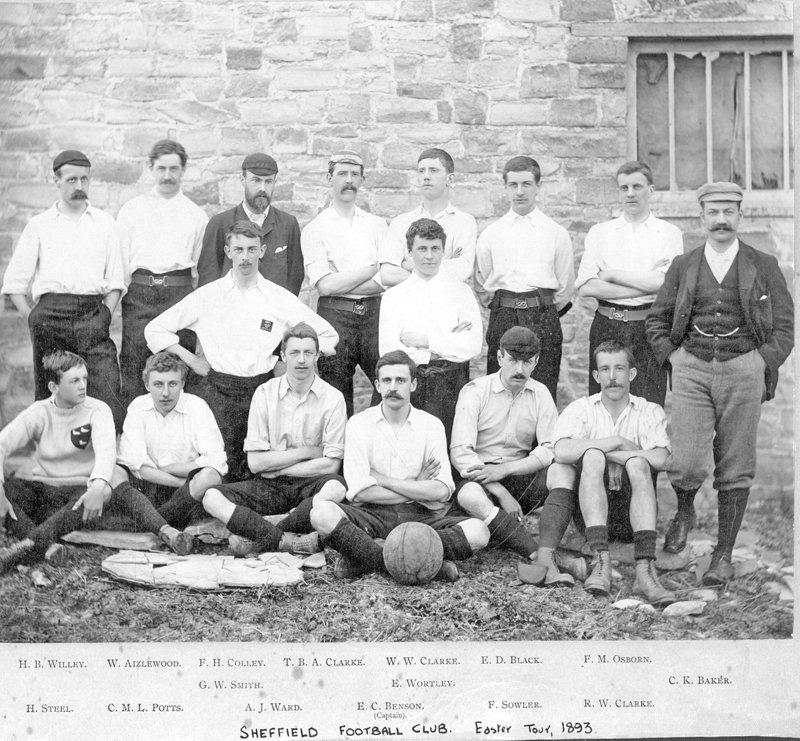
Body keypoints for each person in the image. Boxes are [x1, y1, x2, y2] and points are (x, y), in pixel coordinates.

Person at [646, 182, 794, 584]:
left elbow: (784, 325)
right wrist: (673, 356)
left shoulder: (763, 264)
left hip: (743, 370)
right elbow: (657, 320)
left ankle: (723, 554)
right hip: (692, 368)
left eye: (729, 211)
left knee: (736, 462)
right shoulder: (684, 264)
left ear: (741, 216)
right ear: (701, 217)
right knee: (687, 459)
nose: (722, 220)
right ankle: (684, 511)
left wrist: (759, 362)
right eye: (714, 211)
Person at [144, 220, 338, 481]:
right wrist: (192, 360)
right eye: (238, 249)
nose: (245, 257)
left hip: (262, 391)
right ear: (227, 251)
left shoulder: (277, 297)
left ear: (262, 250)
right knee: (219, 467)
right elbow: (155, 329)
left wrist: (286, 363)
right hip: (218, 391)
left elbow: (328, 335)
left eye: (251, 249)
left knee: (258, 469)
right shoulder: (208, 296)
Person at [0, 351, 193, 575]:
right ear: (54, 387)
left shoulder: (98, 409)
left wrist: (99, 485)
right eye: (74, 381)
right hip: (45, 486)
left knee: (111, 485)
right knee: (9, 490)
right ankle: (45, 546)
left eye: (85, 378)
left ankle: (27, 547)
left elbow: (106, 453)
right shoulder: (38, 412)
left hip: (84, 489)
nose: (83, 385)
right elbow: (2, 444)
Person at [309, 350, 490, 581]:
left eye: (401, 380)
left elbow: (442, 490)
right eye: (387, 380)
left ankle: (366, 556)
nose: (393, 387)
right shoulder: (359, 424)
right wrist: (417, 485)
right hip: (370, 515)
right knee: (322, 513)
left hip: (421, 516)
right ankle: (421, 560)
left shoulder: (431, 424)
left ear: (413, 384)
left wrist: (383, 480)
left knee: (479, 531)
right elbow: (359, 492)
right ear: (377, 385)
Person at [1, 150, 125, 429]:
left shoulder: (105, 223)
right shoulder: (39, 225)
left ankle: (107, 461)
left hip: (93, 314)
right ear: (56, 181)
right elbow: (14, 284)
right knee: (51, 395)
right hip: (50, 317)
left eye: (84, 179)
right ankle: (51, 464)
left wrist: (105, 314)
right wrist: (34, 318)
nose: (79, 186)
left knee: (106, 390)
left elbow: (116, 280)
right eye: (71, 179)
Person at [546, 340, 675, 605]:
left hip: (633, 516)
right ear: (596, 375)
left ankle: (645, 571)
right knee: (592, 457)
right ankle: (600, 561)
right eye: (605, 369)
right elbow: (561, 452)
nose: (612, 377)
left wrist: (619, 457)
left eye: (619, 369)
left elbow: (662, 458)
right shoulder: (582, 409)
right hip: (591, 517)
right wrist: (616, 441)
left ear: (632, 374)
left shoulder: (648, 410)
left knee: (638, 464)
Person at [201, 323, 347, 556]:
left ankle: (263, 532)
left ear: (317, 355)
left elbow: (331, 464)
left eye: (308, 353)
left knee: (336, 487)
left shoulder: (333, 398)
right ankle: (287, 539)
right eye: (294, 353)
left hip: (309, 484)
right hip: (269, 486)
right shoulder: (264, 393)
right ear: (282, 356)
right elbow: (256, 464)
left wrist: (278, 468)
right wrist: (307, 451)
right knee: (211, 497)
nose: (301, 360)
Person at [450, 327, 580, 581]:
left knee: (562, 470)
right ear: (499, 358)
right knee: (468, 495)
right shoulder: (475, 391)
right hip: (481, 479)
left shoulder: (540, 393)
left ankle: (546, 549)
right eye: (512, 360)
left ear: (536, 362)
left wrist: (508, 470)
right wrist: (501, 490)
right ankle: (538, 556)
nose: (519, 369)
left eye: (527, 362)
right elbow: (461, 453)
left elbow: (550, 447)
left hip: (519, 474)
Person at [576, 161, 683, 405]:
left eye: (637, 186)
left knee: (649, 402)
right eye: (624, 188)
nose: (630, 193)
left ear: (651, 190)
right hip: (607, 325)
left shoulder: (669, 233)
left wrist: (611, 273)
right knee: (604, 402)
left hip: (649, 327)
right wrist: (646, 283)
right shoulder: (600, 232)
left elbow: (666, 283)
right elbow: (586, 287)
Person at [116, 139, 208, 409]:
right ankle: (135, 435)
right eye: (161, 169)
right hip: (140, 293)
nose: (167, 176)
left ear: (183, 170)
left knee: (178, 365)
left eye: (174, 169)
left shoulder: (195, 215)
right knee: (134, 363)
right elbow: (121, 262)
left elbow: (199, 270)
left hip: (178, 295)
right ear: (151, 168)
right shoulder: (132, 210)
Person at [474, 155, 574, 400]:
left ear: (538, 186)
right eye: (513, 185)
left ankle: (541, 440)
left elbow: (564, 287)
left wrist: (540, 308)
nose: (519, 191)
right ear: (505, 187)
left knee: (541, 391)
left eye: (526, 184)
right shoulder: (491, 234)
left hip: (542, 316)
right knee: (500, 390)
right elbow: (483, 284)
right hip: (504, 315)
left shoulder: (555, 233)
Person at [378, 218, 482, 441]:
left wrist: (424, 340)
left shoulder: (461, 292)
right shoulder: (394, 296)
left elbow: (472, 345)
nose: (429, 256)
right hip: (412, 383)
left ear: (443, 251)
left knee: (447, 445)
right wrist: (447, 341)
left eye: (435, 248)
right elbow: (389, 350)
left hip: (450, 383)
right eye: (422, 249)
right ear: (409, 252)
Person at [301, 150, 387, 417]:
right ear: (330, 178)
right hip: (335, 316)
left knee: (387, 382)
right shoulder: (315, 228)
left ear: (362, 180)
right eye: (341, 174)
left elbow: (386, 279)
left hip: (376, 315)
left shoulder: (377, 225)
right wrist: (372, 269)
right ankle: (341, 456)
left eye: (354, 175)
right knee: (335, 396)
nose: (348, 180)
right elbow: (325, 286)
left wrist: (343, 278)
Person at [114, 351, 227, 539]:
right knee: (114, 472)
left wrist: (171, 468)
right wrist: (178, 481)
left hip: (189, 493)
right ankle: (163, 525)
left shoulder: (197, 406)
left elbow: (217, 460)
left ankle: (150, 523)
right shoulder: (138, 406)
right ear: (146, 385)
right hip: (152, 486)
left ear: (182, 384)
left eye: (172, 384)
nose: (165, 393)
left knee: (210, 476)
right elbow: (136, 465)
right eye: (158, 384)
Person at [197, 153, 303, 293]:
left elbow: (295, 276)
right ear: (243, 180)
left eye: (268, 181)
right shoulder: (220, 224)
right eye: (256, 180)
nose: (262, 188)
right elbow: (208, 279)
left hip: (274, 310)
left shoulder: (288, 224)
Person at [379, 147, 477, 286]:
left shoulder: (464, 222)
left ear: (450, 179)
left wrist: (407, 264)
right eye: (421, 171)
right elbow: (388, 275)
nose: (426, 176)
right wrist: (443, 265)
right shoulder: (401, 223)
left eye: (433, 170)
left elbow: (461, 271)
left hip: (447, 303)